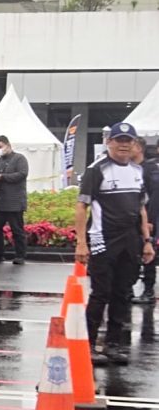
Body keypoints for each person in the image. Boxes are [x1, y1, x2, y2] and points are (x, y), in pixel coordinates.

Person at [75, 122, 154, 365]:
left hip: (130, 239)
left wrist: (147, 241)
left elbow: (141, 208)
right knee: (101, 293)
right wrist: (81, 243)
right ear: (109, 142)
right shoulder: (96, 169)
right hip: (103, 238)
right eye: (119, 140)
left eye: (128, 141)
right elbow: (81, 206)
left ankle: (113, 344)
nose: (123, 145)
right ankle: (88, 345)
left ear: (135, 144)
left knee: (123, 293)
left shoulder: (138, 171)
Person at [0, 135, 29, 264]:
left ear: (8, 145)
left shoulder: (19, 159)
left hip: (14, 202)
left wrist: (2, 177)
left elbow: (22, 174)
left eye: (0, 147)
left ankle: (20, 255)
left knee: (17, 230)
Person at [132, 143, 159, 305]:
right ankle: (128, 288)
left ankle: (148, 291)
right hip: (131, 218)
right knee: (131, 254)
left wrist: (150, 220)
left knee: (148, 254)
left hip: (146, 218)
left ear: (139, 148)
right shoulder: (129, 168)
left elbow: (155, 197)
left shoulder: (150, 169)